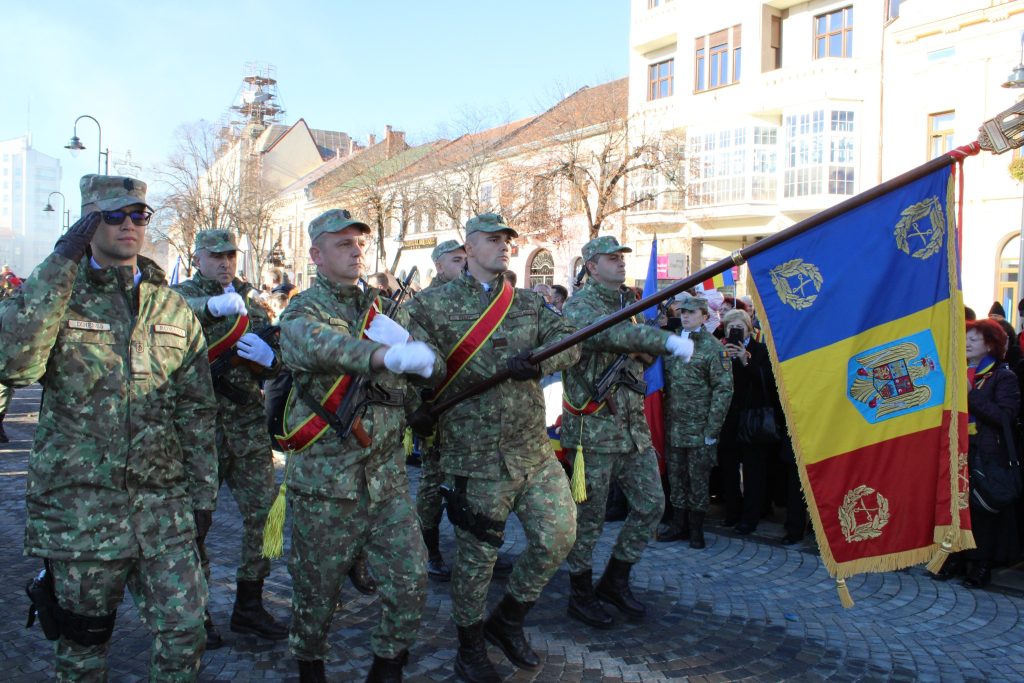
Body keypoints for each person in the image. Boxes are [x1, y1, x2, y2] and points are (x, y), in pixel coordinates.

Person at [1, 175, 218, 680]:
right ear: (87, 223)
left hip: (162, 508)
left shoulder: (170, 305)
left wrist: (203, 495)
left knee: (186, 631)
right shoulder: (61, 294)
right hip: (83, 512)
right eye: (113, 215)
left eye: (139, 215)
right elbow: (13, 362)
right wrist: (61, 260)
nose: (129, 225)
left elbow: (196, 409)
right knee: (83, 645)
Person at [405, 213, 580, 683]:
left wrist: (540, 361)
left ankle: (508, 619)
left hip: (532, 449)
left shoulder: (527, 302)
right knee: (476, 561)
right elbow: (413, 368)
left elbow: (569, 342)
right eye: (493, 239)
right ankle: (469, 647)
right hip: (473, 455)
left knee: (559, 535)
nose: (503, 246)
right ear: (469, 247)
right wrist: (419, 402)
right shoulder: (430, 306)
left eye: (507, 240)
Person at [277, 208, 440, 681]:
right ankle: (310, 665)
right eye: (343, 243)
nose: (356, 251)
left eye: (360, 243)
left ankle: (387, 664)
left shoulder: (388, 309)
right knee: (316, 592)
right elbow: (318, 346)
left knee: (412, 578)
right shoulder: (302, 310)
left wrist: (412, 347)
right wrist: (384, 353)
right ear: (316, 254)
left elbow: (435, 367)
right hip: (326, 483)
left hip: (386, 481)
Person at [560, 236, 693, 629]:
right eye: (611, 258)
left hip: (632, 429)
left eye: (622, 257)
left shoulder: (626, 305)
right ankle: (580, 593)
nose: (620, 262)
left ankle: (615, 580)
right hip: (594, 431)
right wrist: (663, 340)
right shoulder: (579, 306)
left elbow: (635, 358)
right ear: (591, 266)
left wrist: (645, 352)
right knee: (589, 520)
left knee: (651, 505)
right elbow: (610, 337)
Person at [172, 229, 288, 648]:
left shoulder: (250, 304)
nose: (224, 263)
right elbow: (175, 314)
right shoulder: (181, 297)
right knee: (194, 523)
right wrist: (210, 307)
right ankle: (195, 611)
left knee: (265, 514)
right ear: (197, 258)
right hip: (199, 433)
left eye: (230, 256)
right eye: (215, 256)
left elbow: (276, 361)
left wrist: (271, 362)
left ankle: (249, 605)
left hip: (247, 428)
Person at [936, 319, 1020, 587]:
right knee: (955, 508)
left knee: (981, 512)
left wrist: (971, 395)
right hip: (956, 449)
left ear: (991, 345)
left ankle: (980, 565)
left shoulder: (1003, 376)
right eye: (966, 337)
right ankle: (954, 558)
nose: (967, 343)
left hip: (986, 454)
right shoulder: (957, 371)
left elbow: (1005, 417)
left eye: (974, 339)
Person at [658, 294, 733, 548]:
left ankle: (696, 528)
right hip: (674, 425)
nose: (686, 316)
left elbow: (723, 390)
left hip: (700, 428)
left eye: (691, 312)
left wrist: (712, 428)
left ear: (704, 316)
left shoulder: (714, 348)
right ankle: (678, 524)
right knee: (676, 477)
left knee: (698, 480)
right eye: (683, 312)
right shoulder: (673, 343)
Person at [416, 239, 467, 582]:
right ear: (439, 265)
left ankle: (476, 548)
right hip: (438, 408)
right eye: (456, 260)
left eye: (465, 259)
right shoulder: (425, 303)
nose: (464, 265)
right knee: (433, 483)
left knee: (471, 483)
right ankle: (429, 549)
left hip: (470, 408)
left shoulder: (473, 299)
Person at [716, 309, 781, 535]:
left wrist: (746, 360)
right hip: (728, 418)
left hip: (753, 418)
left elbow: (768, 382)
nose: (734, 330)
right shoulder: (721, 350)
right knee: (728, 469)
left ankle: (750, 517)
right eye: (730, 327)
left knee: (754, 472)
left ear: (748, 328)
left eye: (739, 326)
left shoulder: (761, 350)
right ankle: (732, 512)